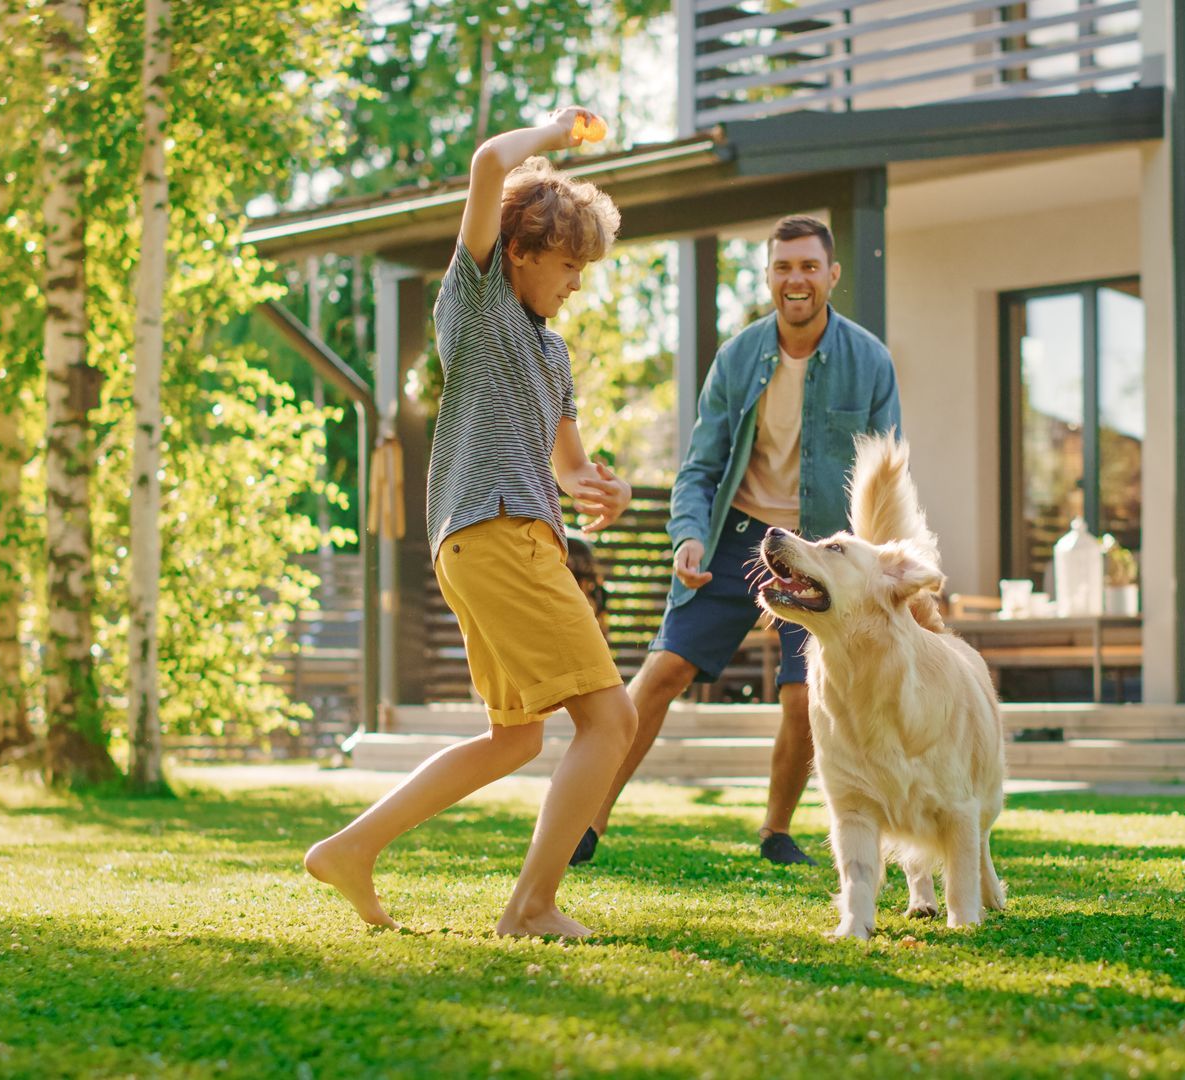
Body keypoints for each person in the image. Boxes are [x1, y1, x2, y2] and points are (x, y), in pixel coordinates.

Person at [304, 107, 637, 938]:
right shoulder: (478, 303)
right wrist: (557, 137)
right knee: (611, 719)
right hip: (498, 531)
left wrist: (606, 491)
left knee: (515, 739)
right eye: (566, 263)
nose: (574, 282)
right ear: (519, 251)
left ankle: (352, 849)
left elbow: (571, 467)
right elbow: (490, 162)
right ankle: (530, 907)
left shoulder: (553, 353)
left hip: (497, 537)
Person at [576, 214, 901, 867]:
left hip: (817, 550)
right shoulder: (738, 357)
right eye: (784, 267)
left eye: (809, 266)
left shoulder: (871, 362)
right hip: (738, 536)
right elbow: (698, 469)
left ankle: (776, 833)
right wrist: (689, 537)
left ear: (832, 275)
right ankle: (586, 820)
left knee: (807, 695)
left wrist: (876, 570)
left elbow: (885, 483)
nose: (796, 279)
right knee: (662, 672)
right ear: (769, 278)